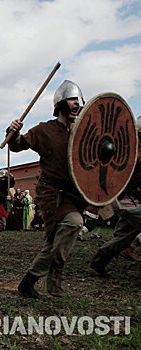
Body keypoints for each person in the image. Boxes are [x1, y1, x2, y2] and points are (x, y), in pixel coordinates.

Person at [9, 80, 88, 298]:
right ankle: (56, 272)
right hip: (52, 193)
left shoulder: (83, 132)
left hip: (75, 193)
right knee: (73, 223)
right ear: (61, 104)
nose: (77, 104)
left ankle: (29, 281)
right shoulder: (45, 131)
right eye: (72, 100)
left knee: (56, 240)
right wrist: (13, 131)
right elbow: (17, 145)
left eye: (78, 101)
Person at [90, 117, 141, 277]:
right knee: (127, 233)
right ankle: (100, 260)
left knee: (125, 235)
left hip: (135, 198)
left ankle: (101, 259)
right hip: (129, 197)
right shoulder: (130, 150)